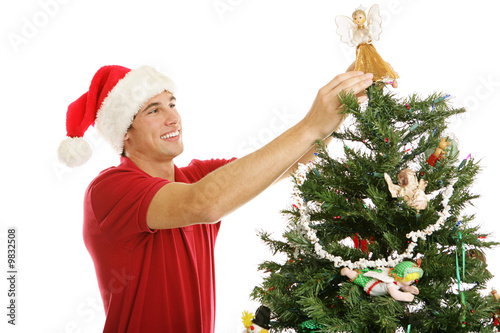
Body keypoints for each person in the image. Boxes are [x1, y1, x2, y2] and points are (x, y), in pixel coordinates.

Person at [58, 64, 378, 332]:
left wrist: (343, 103)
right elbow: (204, 203)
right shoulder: (111, 188)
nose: (173, 118)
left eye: (172, 103)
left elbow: (289, 161)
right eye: (154, 110)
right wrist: (310, 124)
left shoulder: (195, 176)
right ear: (124, 133)